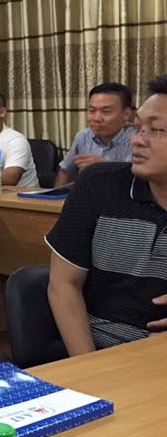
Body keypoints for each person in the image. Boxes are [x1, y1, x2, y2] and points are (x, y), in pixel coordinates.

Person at [45, 74, 167, 355]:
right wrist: (88, 365)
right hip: (102, 347)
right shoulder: (99, 184)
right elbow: (63, 284)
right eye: (138, 128)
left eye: (156, 130)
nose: (138, 140)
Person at [55, 82, 135, 186]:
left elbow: (137, 182)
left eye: (106, 112)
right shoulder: (83, 137)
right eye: (92, 111)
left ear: (126, 114)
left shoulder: (137, 140)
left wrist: (105, 167)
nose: (96, 118)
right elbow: (65, 171)